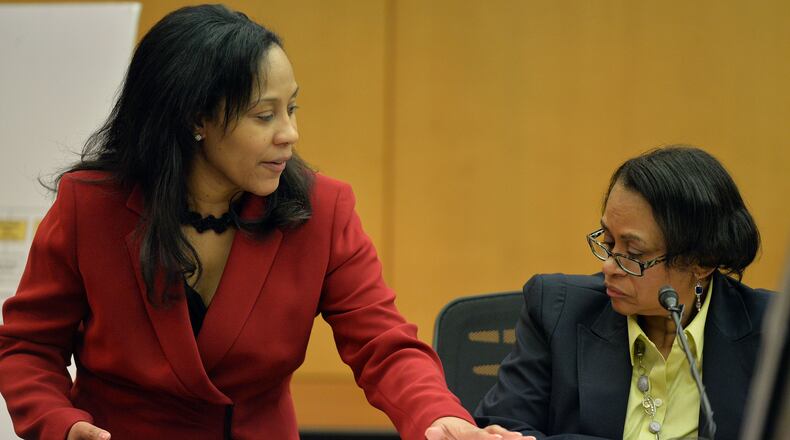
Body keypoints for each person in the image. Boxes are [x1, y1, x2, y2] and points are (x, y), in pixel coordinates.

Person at [0, 5, 531, 440]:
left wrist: (437, 416)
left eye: (292, 108)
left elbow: (383, 344)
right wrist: (61, 425)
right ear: (196, 120)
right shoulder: (89, 205)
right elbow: (28, 348)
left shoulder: (323, 209)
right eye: (264, 115)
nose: (290, 134)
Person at [474, 146, 773, 440]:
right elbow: (501, 428)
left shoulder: (769, 334)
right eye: (608, 241)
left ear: (702, 262)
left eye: (633, 252)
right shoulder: (556, 311)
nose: (609, 266)